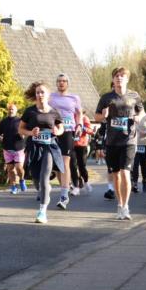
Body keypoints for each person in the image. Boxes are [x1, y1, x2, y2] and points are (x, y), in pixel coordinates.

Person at [95, 67, 142, 220]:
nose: (119, 78)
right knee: (116, 175)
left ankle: (126, 206)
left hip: (129, 139)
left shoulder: (134, 95)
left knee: (125, 173)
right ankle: (120, 205)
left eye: (122, 76)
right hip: (112, 141)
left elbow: (141, 111)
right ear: (113, 80)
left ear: (127, 79)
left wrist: (138, 117)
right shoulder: (106, 98)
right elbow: (96, 117)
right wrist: (104, 115)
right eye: (116, 76)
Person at [19, 82, 65, 224]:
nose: (40, 95)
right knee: (37, 179)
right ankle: (43, 190)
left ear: (48, 95)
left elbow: (61, 128)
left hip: (49, 147)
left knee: (45, 178)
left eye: (42, 92)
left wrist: (58, 131)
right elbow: (21, 129)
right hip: (34, 147)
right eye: (38, 92)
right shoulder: (30, 111)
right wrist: (30, 133)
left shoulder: (54, 112)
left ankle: (42, 211)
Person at [48, 73, 82, 209]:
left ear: (68, 83)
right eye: (59, 81)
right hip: (54, 131)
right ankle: (65, 186)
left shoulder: (74, 98)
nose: (61, 83)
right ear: (56, 83)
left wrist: (79, 125)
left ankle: (64, 195)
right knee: (56, 164)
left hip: (68, 131)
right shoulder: (51, 97)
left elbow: (79, 113)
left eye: (64, 81)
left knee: (65, 161)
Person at [0, 103, 26, 194]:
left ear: (16, 111)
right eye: (9, 109)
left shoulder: (20, 121)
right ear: (7, 111)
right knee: (10, 169)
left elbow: (25, 131)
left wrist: (23, 135)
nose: (11, 111)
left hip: (18, 148)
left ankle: (21, 180)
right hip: (7, 148)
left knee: (18, 167)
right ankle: (13, 186)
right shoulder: (3, 122)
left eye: (13, 109)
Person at [72, 108, 92, 194]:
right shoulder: (71, 117)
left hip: (82, 145)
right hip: (71, 145)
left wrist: (83, 128)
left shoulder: (85, 118)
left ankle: (86, 181)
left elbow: (90, 131)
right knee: (72, 166)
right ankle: (76, 186)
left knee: (81, 166)